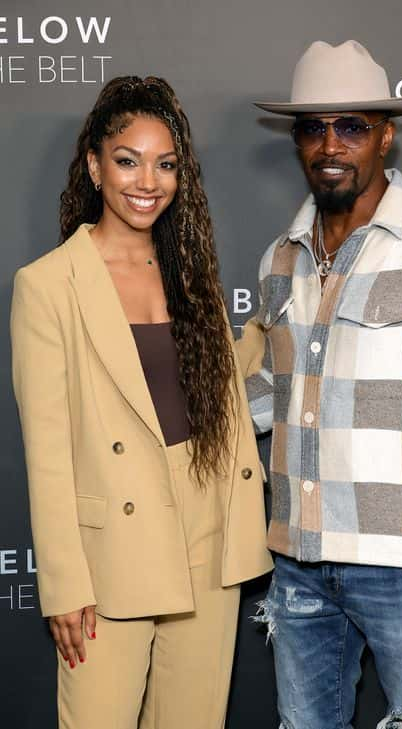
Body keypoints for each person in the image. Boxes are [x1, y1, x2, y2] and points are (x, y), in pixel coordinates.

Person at [237, 40, 402, 729]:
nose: (332, 144)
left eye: (352, 125)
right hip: (298, 559)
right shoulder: (279, 258)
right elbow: (275, 387)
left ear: (386, 135)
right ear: (296, 139)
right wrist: (186, 413)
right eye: (314, 127)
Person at [11, 75, 273, 729]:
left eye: (165, 164)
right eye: (128, 160)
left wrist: (276, 329)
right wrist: (65, 586)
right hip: (111, 553)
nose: (146, 182)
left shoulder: (190, 274)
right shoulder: (47, 286)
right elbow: (47, 455)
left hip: (207, 528)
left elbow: (208, 378)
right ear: (95, 164)